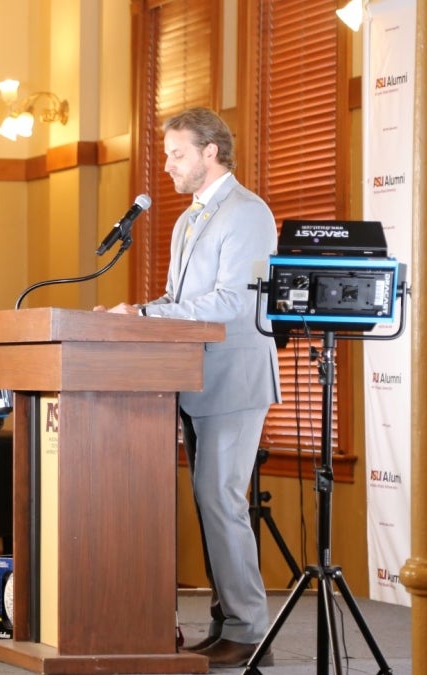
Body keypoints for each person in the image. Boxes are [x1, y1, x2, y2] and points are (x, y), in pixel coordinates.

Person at [95, 107, 280, 668]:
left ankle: (250, 633)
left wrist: (143, 313)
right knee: (209, 502)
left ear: (210, 153)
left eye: (177, 153)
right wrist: (145, 315)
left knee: (220, 499)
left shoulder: (247, 213)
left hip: (234, 376)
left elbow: (232, 301)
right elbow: (184, 302)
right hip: (190, 377)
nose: (168, 165)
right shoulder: (186, 219)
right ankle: (228, 622)